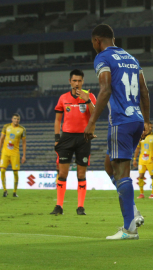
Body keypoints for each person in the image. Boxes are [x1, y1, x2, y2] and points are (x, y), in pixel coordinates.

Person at [85, 24, 149, 240]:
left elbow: (105, 89)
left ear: (97, 40)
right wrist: (147, 121)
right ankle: (133, 211)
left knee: (121, 172)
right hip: (137, 120)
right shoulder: (132, 58)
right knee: (109, 165)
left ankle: (129, 228)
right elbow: (144, 91)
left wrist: (92, 122)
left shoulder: (103, 58)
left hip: (120, 121)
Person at [50, 69, 96, 215]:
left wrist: (87, 99)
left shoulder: (90, 96)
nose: (77, 83)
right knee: (62, 173)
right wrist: (57, 139)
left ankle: (80, 207)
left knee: (81, 174)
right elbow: (58, 120)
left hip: (83, 138)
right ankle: (59, 206)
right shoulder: (63, 98)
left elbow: (95, 114)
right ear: (70, 82)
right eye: (74, 81)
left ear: (83, 82)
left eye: (79, 81)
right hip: (67, 138)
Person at [133, 122, 153, 199]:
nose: (150, 128)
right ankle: (141, 194)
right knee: (141, 176)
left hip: (151, 160)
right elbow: (137, 148)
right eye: (149, 127)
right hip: (142, 160)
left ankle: (152, 194)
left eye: (151, 127)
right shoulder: (141, 136)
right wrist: (134, 159)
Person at [0, 113, 26, 197]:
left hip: (15, 154)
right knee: (2, 170)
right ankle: (5, 190)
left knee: (15, 172)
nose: (16, 120)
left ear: (19, 120)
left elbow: (24, 143)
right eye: (15, 118)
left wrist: (24, 155)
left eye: (18, 119)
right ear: (12, 119)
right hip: (5, 153)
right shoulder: (6, 127)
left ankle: (14, 192)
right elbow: (1, 139)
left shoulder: (22, 129)